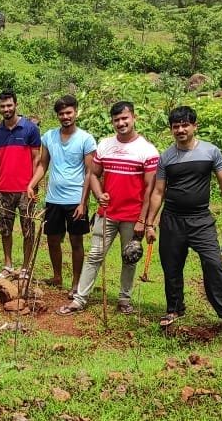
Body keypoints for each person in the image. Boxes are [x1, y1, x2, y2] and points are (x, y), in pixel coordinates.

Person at [144, 106, 222, 335]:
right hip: (172, 220)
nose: (180, 130)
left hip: (201, 220)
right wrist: (149, 224)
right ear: (171, 129)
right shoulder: (166, 157)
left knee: (214, 264)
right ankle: (174, 308)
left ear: (195, 126)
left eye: (185, 125)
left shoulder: (211, 152)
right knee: (171, 267)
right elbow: (158, 192)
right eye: (176, 126)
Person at [57, 101, 158, 316]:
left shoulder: (147, 151)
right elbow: (93, 174)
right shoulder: (104, 145)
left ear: (134, 118)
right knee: (94, 255)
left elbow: (151, 188)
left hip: (133, 216)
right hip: (108, 213)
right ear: (112, 122)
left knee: (129, 257)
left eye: (125, 118)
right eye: (116, 120)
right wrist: (98, 194)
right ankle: (80, 299)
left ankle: (124, 299)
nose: (121, 123)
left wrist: (143, 220)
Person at [28, 95, 97, 298]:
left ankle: (76, 283)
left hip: (76, 200)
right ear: (57, 115)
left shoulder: (86, 139)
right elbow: (43, 164)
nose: (65, 117)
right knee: (52, 239)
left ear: (76, 112)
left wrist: (83, 202)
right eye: (61, 114)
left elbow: (89, 172)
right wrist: (31, 184)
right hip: (53, 199)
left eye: (68, 112)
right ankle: (57, 276)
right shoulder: (49, 137)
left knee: (76, 241)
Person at [0, 90, 41, 278]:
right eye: (2, 106)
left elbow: (37, 160)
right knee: (5, 229)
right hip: (4, 190)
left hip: (25, 190)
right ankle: (8, 265)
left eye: (9, 105)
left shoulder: (30, 129)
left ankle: (26, 267)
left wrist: (33, 185)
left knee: (28, 229)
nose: (6, 109)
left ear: (16, 105)